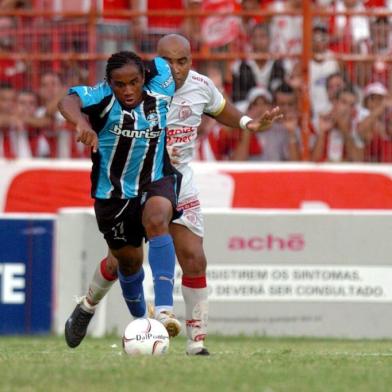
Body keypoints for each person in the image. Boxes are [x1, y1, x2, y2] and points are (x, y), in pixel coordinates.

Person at [65, 34, 282, 356]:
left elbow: (222, 109)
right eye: (169, 61)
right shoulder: (137, 84)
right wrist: (83, 123)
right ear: (157, 61)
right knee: (124, 260)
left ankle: (196, 343)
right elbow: (81, 100)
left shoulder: (200, 86)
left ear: (191, 61)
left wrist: (250, 123)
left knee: (193, 256)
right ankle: (88, 304)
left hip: (173, 179)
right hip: (130, 181)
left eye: (183, 61)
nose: (177, 69)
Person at [58, 51, 183, 349]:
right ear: (109, 83)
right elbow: (67, 101)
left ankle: (163, 313)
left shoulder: (162, 84)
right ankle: (95, 308)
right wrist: (81, 124)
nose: (127, 90)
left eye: (134, 82)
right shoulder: (101, 97)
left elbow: (173, 54)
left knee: (157, 218)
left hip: (155, 178)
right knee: (127, 263)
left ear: (144, 78)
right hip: (113, 195)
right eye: (120, 84)